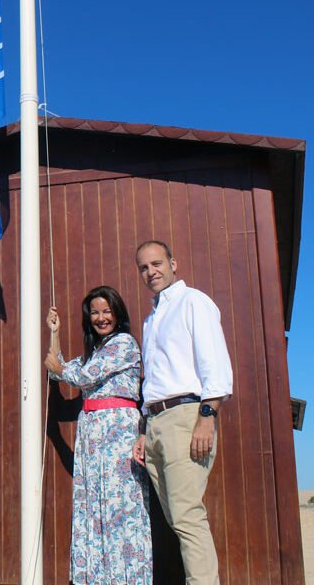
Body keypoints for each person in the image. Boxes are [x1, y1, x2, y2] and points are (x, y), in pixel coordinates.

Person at [132, 240, 234, 585]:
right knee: (177, 518)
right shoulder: (151, 319)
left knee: (188, 516)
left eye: (157, 263)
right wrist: (145, 430)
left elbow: (214, 363)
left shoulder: (194, 302)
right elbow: (155, 380)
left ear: (173, 263)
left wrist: (207, 417)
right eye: (144, 267)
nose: (151, 272)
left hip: (186, 416)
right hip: (157, 422)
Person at [44, 286, 152, 584]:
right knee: (93, 502)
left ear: (118, 313)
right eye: (95, 312)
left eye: (107, 311)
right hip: (92, 431)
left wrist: (61, 369)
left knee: (122, 503)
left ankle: (127, 577)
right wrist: (55, 332)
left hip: (118, 428)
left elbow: (80, 377)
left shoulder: (125, 344)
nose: (101, 317)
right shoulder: (95, 352)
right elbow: (57, 371)